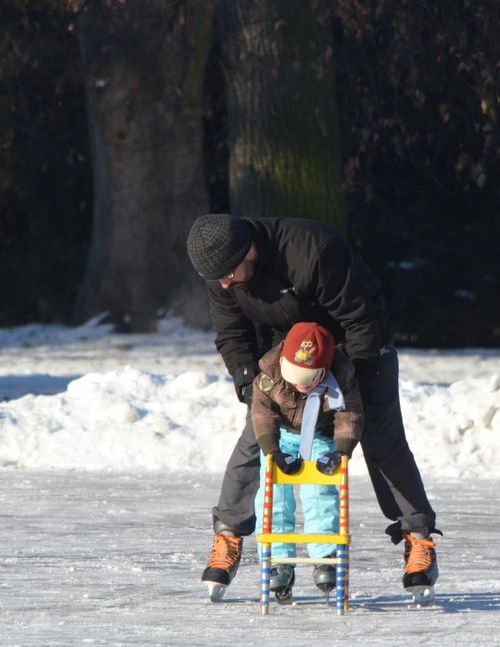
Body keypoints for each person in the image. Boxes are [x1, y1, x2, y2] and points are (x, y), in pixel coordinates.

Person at [188, 213, 440, 600]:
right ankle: (228, 536)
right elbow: (232, 333)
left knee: (381, 439)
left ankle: (418, 537)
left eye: (228, 274)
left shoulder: (312, 252)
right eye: (216, 278)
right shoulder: (220, 272)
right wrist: (248, 384)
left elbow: (362, 317)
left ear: (249, 251)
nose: (224, 283)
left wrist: (352, 382)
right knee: (256, 437)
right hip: (286, 358)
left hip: (358, 349)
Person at [250, 321, 363, 603]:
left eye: (308, 377)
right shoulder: (270, 370)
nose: (300, 383)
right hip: (282, 439)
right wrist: (272, 450)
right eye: (295, 374)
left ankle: (325, 554)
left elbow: (349, 415)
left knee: (319, 489)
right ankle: (278, 558)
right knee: (273, 492)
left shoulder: (342, 373)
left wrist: (341, 451)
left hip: (320, 438)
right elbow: (262, 412)